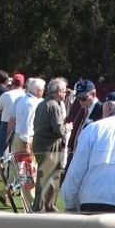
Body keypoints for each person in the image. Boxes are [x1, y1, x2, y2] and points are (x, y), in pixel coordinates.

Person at [32, 77, 69, 212]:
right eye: (64, 91)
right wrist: (68, 127)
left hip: (39, 142)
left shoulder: (42, 104)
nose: (65, 94)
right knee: (47, 176)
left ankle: (49, 205)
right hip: (49, 143)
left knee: (51, 175)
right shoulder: (54, 106)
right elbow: (58, 129)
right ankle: (40, 207)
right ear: (59, 91)